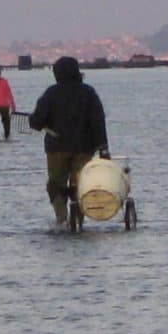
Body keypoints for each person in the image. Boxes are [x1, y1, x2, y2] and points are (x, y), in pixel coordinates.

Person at [29, 56, 109, 227]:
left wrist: (35, 122)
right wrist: (103, 148)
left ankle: (61, 216)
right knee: (80, 183)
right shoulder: (89, 93)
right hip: (84, 148)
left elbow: (37, 120)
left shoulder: (51, 94)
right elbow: (98, 121)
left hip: (56, 148)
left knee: (55, 183)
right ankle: (78, 217)